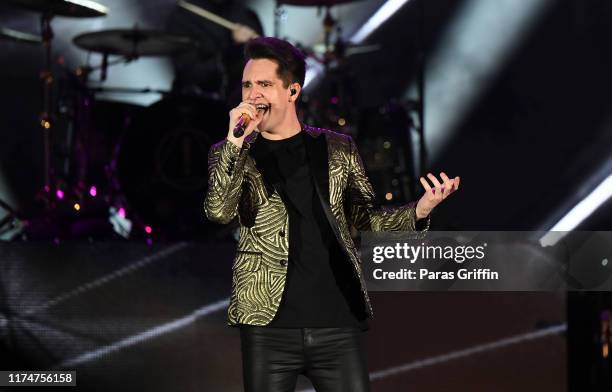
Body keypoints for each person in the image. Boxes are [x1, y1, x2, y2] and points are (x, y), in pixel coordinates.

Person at [204, 37, 460, 392]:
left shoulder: (337, 148)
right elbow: (218, 211)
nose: (253, 94)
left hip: (336, 324)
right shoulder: (231, 154)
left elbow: (365, 219)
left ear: (292, 91)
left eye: (264, 84)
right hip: (268, 326)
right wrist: (235, 143)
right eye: (247, 85)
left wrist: (418, 210)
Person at [166, 0, 263, 101]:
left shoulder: (246, 15)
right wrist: (232, 50)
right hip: (202, 103)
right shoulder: (183, 17)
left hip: (249, 101)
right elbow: (190, 73)